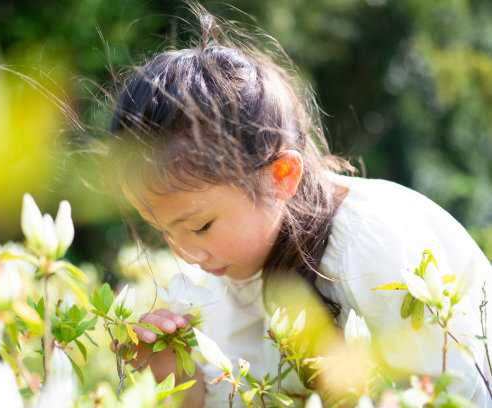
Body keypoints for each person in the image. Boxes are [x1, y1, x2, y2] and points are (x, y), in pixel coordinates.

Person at [105, 6, 492, 407]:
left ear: (281, 176)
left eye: (200, 226)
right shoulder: (238, 269)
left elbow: (452, 393)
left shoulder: (372, 245)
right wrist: (170, 365)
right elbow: (240, 398)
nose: (185, 252)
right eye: (165, 230)